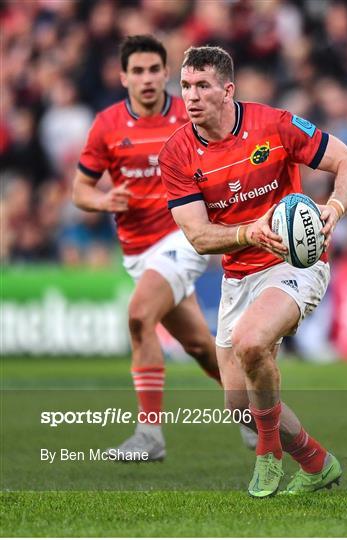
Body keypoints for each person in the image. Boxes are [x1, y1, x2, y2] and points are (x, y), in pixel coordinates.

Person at [159, 46, 347, 496]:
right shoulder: (177, 154)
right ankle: (316, 463)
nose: (191, 96)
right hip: (240, 273)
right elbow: (198, 235)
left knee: (252, 341)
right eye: (185, 87)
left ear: (227, 90)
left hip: (295, 263)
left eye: (203, 86)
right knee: (239, 404)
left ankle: (268, 455)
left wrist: (333, 208)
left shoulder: (274, 124)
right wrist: (247, 233)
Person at [73, 35, 256, 461]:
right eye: (137, 71)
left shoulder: (189, 115)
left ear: (165, 73)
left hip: (183, 239)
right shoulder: (107, 125)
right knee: (199, 347)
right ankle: (255, 416)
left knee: (139, 317)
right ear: (123, 77)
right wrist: (102, 201)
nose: (147, 79)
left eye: (155, 69)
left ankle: (149, 435)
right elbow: (80, 188)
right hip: (138, 251)